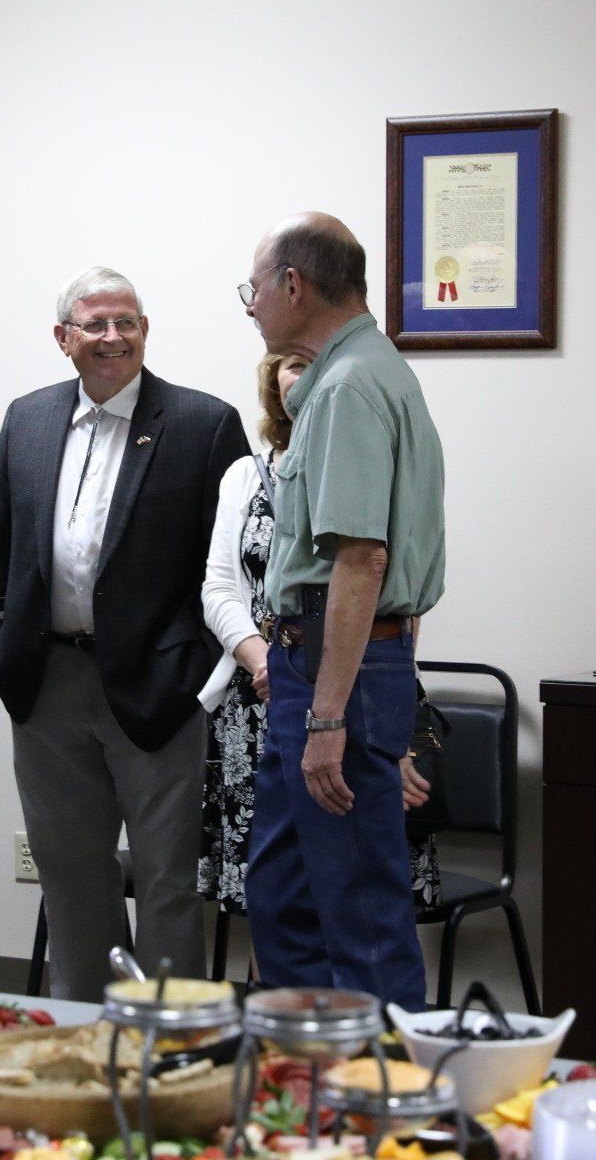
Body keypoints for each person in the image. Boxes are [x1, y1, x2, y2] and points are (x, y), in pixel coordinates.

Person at [0, 266, 249, 999]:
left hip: (158, 687)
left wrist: (195, 673)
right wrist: (7, 651)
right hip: (46, 683)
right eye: (95, 324)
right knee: (70, 874)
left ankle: (168, 1049)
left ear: (145, 331)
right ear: (63, 338)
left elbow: (233, 564)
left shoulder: (203, 424)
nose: (112, 337)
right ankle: (84, 1040)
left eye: (126, 322)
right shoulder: (27, 419)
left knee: (165, 881)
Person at [238, 213, 445, 1011]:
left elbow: (361, 560)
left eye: (253, 289)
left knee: (360, 911)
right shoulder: (346, 372)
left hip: (337, 670)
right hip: (315, 666)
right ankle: (306, 1085)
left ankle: (390, 1109)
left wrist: (329, 717)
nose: (251, 306)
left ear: (293, 284)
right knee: (283, 897)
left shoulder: (351, 385)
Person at [199, 352, 442, 922]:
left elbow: (390, 585)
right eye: (289, 366)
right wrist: (264, 661)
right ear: (271, 381)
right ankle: (280, 1009)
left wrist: (394, 712)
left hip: (356, 690)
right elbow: (217, 588)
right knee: (274, 890)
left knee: (356, 890)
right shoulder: (244, 474)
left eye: (314, 365)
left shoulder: (367, 454)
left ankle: (367, 1008)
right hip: (256, 701)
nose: (302, 378)